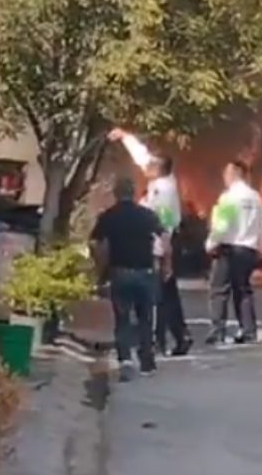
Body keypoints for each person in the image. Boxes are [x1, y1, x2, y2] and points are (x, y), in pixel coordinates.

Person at [108, 128, 192, 357]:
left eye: (150, 166)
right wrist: (125, 136)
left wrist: (164, 257)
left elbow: (162, 226)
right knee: (167, 294)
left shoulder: (163, 192)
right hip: (159, 247)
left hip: (158, 247)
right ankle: (179, 336)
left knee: (157, 298)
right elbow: (142, 157)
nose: (145, 167)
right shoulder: (162, 180)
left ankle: (158, 341)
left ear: (158, 169)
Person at [89, 176, 167, 380]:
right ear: (133, 193)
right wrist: (166, 265)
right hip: (145, 273)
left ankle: (125, 360)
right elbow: (164, 237)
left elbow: (96, 243)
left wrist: (100, 268)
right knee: (145, 318)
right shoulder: (147, 215)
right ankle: (147, 362)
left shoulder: (109, 216)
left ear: (116, 194)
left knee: (122, 319)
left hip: (120, 272)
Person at [205, 160, 262, 345]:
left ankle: (218, 332)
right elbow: (261, 224)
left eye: (226, 173)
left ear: (234, 174)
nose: (224, 177)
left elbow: (222, 225)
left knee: (219, 290)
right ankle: (248, 332)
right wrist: (261, 247)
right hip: (248, 249)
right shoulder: (255, 197)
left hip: (229, 248)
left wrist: (211, 244)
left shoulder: (229, 197)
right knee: (243, 290)